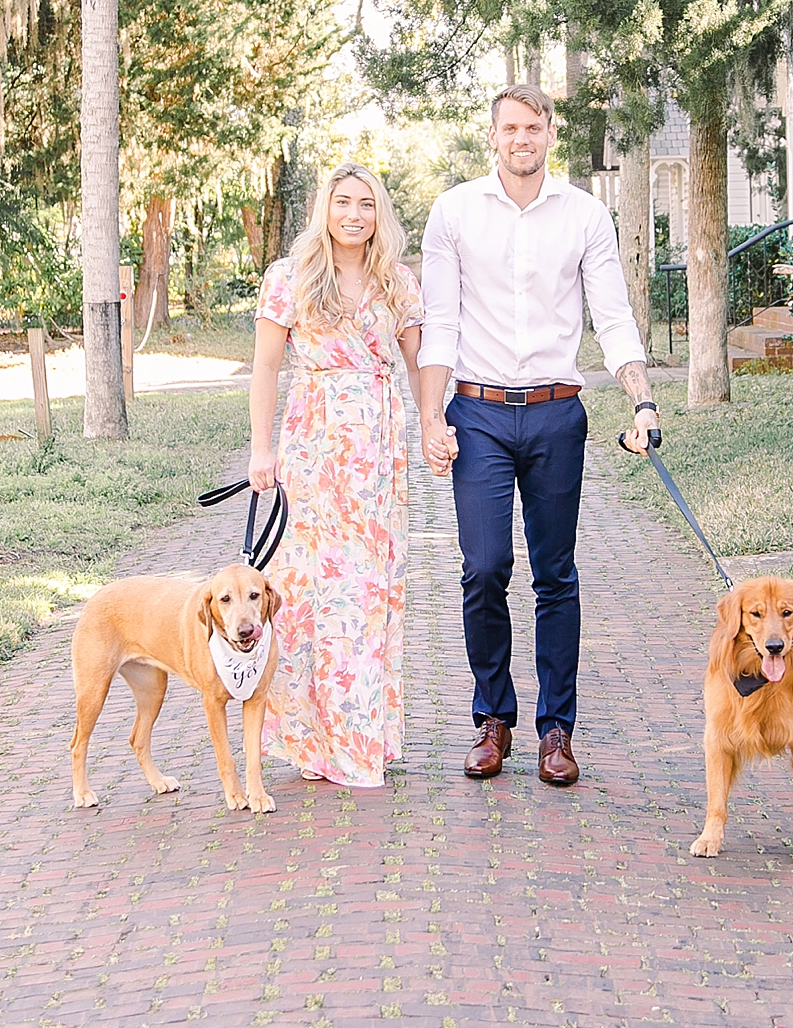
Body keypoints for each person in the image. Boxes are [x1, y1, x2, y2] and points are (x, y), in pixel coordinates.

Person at [417, 86, 660, 788]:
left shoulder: (584, 214)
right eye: (510, 127)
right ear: (492, 135)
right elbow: (440, 323)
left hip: (557, 412)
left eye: (533, 126)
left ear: (551, 133)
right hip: (479, 413)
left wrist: (643, 403)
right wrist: (430, 418)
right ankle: (493, 720)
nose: (521, 138)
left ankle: (557, 731)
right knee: (484, 567)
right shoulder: (454, 211)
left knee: (555, 574)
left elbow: (613, 318)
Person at [248, 164, 424, 788]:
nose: (354, 214)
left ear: (381, 214)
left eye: (366, 204)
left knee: (368, 591)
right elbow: (266, 367)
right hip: (313, 445)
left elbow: (420, 363)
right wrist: (261, 450)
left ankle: (361, 738)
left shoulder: (397, 280)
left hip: (377, 451)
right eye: (343, 202)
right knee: (309, 591)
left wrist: (435, 423)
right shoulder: (289, 276)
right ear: (324, 208)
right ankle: (312, 741)